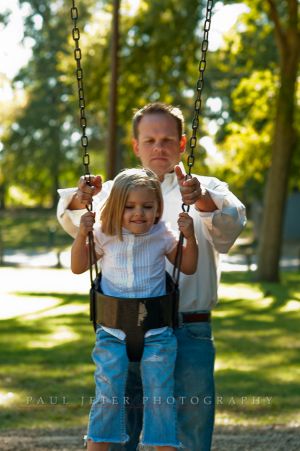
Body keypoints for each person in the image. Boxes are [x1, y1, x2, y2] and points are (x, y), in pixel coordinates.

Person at [57, 102, 247, 451]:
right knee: (122, 425)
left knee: (188, 429)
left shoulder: (205, 187)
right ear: (136, 145)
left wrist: (202, 200)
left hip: (189, 326)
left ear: (182, 144)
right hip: (126, 324)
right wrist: (81, 199)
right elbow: (77, 226)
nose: (158, 147)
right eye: (149, 140)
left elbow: (232, 224)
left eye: (166, 139)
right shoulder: (118, 191)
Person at [71, 167, 198, 450]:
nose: (138, 213)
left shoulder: (162, 235)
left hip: (157, 331)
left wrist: (190, 237)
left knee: (160, 393)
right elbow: (78, 266)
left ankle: (163, 444)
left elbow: (188, 266)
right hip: (112, 330)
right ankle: (98, 445)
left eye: (147, 206)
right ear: (116, 207)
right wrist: (82, 234)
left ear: (157, 208)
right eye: (129, 206)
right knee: (108, 390)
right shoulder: (104, 235)